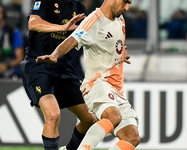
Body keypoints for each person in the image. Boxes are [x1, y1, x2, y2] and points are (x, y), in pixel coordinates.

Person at [36, 0, 141, 150]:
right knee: (113, 117)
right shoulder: (94, 21)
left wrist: (121, 52)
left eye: (129, 3)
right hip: (97, 84)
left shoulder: (120, 18)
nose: (127, 7)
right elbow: (72, 39)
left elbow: (114, 42)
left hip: (117, 89)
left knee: (132, 137)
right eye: (125, 2)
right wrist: (55, 54)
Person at [20, 0, 97, 150]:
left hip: (63, 67)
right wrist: (63, 27)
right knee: (53, 115)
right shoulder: (44, 2)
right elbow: (33, 23)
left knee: (89, 119)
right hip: (38, 65)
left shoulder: (78, 7)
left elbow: (88, 34)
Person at [0, 2, 24, 78]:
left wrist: (7, 65)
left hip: (11, 70)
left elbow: (20, 58)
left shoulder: (14, 32)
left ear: (3, 14)